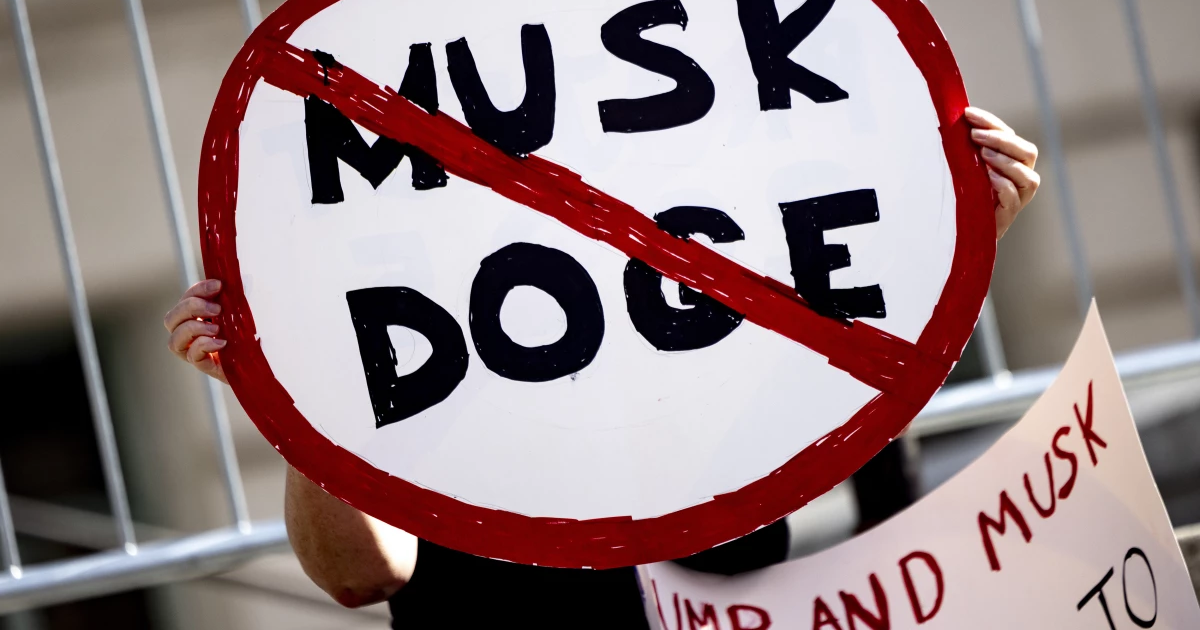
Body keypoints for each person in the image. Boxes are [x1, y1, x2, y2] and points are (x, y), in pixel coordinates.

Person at [164, 106, 1040, 627]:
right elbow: (362, 572)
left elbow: (848, 384)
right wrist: (299, 398)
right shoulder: (418, 371)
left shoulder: (701, 321)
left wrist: (956, 243)